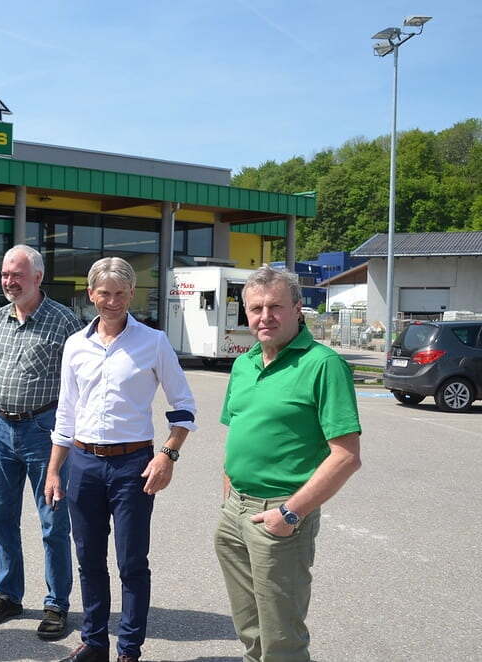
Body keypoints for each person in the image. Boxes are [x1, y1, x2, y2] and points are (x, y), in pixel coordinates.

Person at [45, 257, 197, 662]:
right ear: (90, 294)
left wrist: (167, 454)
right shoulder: (76, 345)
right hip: (83, 464)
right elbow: (66, 412)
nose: (111, 301)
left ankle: (129, 649)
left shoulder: (153, 342)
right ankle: (94, 643)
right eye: (103, 293)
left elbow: (182, 406)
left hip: (133, 467)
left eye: (119, 293)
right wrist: (55, 468)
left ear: (131, 294)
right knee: (89, 560)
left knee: (131, 562)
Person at [215, 265, 362, 662]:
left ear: (298, 309)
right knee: (250, 630)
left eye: (276, 306)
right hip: (235, 514)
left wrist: (291, 513)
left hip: (279, 516)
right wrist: (230, 494)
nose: (265, 317)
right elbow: (237, 430)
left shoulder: (322, 365)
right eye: (256, 308)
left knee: (282, 640)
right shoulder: (244, 364)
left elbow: (346, 456)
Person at [0, 244, 82, 640]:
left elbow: (78, 385)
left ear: (38, 277)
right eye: (5, 274)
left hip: (45, 431)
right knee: (0, 516)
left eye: (17, 275)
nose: (9, 282)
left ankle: (56, 604)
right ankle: (9, 594)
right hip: (2, 428)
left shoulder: (64, 322)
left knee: (53, 521)